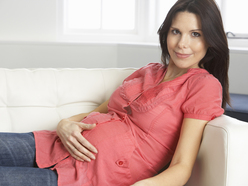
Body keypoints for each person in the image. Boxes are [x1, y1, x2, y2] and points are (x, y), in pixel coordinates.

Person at [0, 0, 230, 185]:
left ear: (210, 39)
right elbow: (99, 112)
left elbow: (182, 166)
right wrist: (66, 123)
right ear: (165, 34)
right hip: (55, 144)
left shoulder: (203, 86)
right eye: (176, 31)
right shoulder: (147, 71)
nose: (182, 43)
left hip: (87, 177)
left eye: (195, 34)